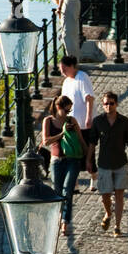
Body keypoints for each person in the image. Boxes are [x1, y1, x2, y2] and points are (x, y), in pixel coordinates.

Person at [88, 92, 128, 237]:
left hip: (121, 164)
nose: (108, 106)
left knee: (119, 196)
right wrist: (88, 160)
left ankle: (117, 226)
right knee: (105, 195)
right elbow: (92, 142)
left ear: (116, 104)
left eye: (111, 103)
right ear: (102, 105)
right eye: (105, 104)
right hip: (104, 164)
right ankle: (108, 213)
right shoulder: (98, 122)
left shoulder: (124, 121)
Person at [41, 95, 89, 237]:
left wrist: (88, 156)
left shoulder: (71, 121)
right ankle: (57, 218)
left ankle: (64, 222)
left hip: (72, 160)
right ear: (58, 108)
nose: (68, 113)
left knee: (68, 190)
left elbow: (80, 139)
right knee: (56, 192)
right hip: (56, 161)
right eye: (66, 111)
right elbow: (46, 141)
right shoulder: (48, 121)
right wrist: (63, 133)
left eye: (70, 110)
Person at [59, 54, 96, 191]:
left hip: (84, 124)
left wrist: (89, 117)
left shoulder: (82, 77)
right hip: (71, 125)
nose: (62, 71)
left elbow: (89, 98)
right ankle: (74, 183)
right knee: (71, 154)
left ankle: (94, 178)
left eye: (64, 68)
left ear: (72, 66)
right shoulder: (66, 82)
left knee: (87, 152)